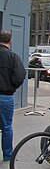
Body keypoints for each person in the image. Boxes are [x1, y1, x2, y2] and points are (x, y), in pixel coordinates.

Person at [0, 31, 26, 161]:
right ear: (10, 41)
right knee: (6, 126)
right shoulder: (13, 57)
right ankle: (7, 155)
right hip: (5, 96)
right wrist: (12, 86)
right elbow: (20, 75)